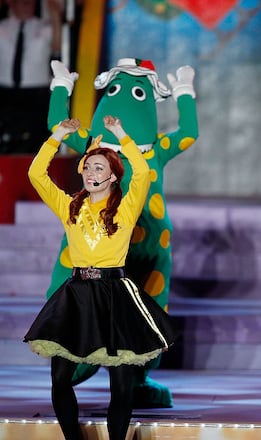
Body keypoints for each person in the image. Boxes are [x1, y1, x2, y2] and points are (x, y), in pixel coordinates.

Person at [23, 115, 179, 440]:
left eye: (99, 168)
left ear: (111, 177)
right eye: (88, 167)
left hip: (115, 296)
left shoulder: (125, 208)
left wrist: (121, 134)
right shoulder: (70, 207)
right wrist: (58, 137)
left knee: (121, 387)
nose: (91, 173)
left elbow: (142, 173)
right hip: (77, 296)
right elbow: (36, 174)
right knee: (60, 380)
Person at [0, 0, 62, 153]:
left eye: (30, 2)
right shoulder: (2, 27)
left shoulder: (44, 27)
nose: (27, 5)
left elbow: (58, 46)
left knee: (36, 143)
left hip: (36, 94)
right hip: (5, 94)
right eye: (22, 2)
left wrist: (55, 15)